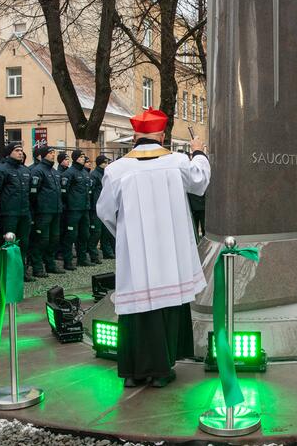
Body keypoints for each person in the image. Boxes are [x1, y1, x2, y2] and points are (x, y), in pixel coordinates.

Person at [96, 108, 210, 388]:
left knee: (136, 307)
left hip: (135, 253)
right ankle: (161, 371)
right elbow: (200, 182)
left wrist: (124, 235)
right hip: (172, 251)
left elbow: (105, 212)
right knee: (168, 301)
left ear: (136, 136)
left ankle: (134, 373)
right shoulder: (177, 162)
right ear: (161, 135)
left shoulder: (116, 169)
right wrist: (199, 152)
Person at [0, 143, 35, 282]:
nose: (20, 153)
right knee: (7, 242)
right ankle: (4, 269)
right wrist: (2, 208)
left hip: (24, 212)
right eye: (17, 151)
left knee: (23, 242)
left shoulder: (25, 170)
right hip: (8, 213)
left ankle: (20, 270)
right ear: (9, 153)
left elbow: (30, 192)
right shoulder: (0, 170)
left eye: (21, 150)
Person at [29, 146, 65, 277]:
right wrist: (37, 208)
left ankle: (50, 264)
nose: (53, 155)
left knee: (54, 239)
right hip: (43, 211)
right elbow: (33, 193)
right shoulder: (38, 171)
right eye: (50, 153)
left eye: (54, 153)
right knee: (41, 240)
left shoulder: (55, 172)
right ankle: (37, 267)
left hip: (55, 210)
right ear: (43, 155)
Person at [61, 150, 93, 270]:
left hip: (84, 208)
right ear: (75, 158)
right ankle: (68, 261)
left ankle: (82, 259)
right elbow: (64, 192)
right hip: (73, 209)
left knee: (84, 234)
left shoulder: (85, 173)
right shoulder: (69, 173)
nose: (83, 159)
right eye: (80, 157)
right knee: (70, 236)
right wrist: (69, 204)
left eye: (83, 157)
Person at [88, 155, 112, 263]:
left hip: (105, 206)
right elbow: (90, 192)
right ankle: (93, 254)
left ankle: (107, 252)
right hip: (96, 206)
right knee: (96, 232)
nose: (107, 164)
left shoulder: (106, 174)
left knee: (106, 231)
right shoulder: (94, 175)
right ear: (100, 163)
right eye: (105, 162)